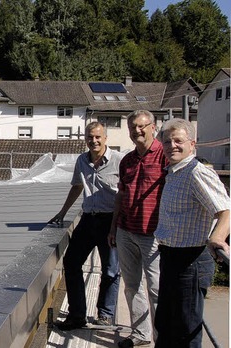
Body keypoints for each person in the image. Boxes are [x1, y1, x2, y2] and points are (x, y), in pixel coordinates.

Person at [153, 118, 230, 348]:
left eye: (178, 141)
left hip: (191, 261)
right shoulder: (174, 171)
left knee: (186, 330)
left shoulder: (196, 172)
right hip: (171, 258)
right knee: (166, 324)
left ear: (192, 144)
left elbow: (226, 210)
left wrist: (217, 238)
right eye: (167, 142)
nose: (172, 146)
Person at [49, 121, 122, 330]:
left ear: (106, 138)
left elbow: (125, 193)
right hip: (88, 218)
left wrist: (119, 223)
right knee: (71, 262)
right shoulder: (82, 160)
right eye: (90, 137)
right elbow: (77, 186)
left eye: (98, 137)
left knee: (110, 270)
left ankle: (105, 314)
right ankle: (77, 315)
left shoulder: (118, 161)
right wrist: (63, 212)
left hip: (111, 220)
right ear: (85, 139)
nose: (94, 141)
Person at [107, 110, 169, 348]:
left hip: (154, 235)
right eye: (133, 127)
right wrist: (113, 228)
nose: (137, 131)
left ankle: (161, 338)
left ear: (153, 127)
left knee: (156, 288)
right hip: (126, 231)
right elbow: (121, 195)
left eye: (142, 126)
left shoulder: (165, 156)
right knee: (132, 286)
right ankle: (140, 334)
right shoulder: (127, 160)